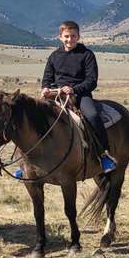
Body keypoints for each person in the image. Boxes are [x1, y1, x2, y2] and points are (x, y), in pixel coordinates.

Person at [41, 20, 117, 174]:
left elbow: (91, 81)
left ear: (79, 36)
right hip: (56, 95)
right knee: (33, 116)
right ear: (60, 37)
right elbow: (47, 78)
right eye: (66, 36)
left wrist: (74, 89)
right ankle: (25, 162)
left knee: (93, 116)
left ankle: (104, 154)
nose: (70, 39)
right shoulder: (54, 56)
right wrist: (45, 88)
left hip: (81, 95)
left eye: (73, 36)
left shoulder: (87, 55)